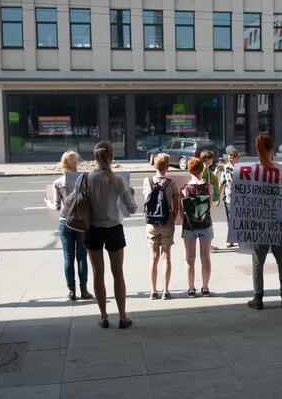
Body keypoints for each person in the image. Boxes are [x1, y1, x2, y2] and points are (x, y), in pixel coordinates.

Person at [84, 141, 137, 329]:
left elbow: (70, 204)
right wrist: (131, 194)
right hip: (113, 228)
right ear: (112, 158)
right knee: (118, 273)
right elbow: (131, 208)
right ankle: (123, 317)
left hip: (92, 229)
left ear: (95, 157)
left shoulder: (86, 178)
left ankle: (104, 316)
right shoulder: (117, 180)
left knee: (98, 274)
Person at [247, 134, 282, 310]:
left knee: (258, 262)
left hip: (260, 225)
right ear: (272, 148)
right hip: (280, 223)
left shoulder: (251, 172)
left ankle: (258, 298)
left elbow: (247, 200)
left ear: (257, 149)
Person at [45, 151, 91, 301]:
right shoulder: (84, 179)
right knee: (82, 256)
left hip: (65, 222)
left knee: (68, 256)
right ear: (74, 162)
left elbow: (57, 207)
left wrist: (47, 203)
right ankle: (84, 290)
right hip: (81, 222)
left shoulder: (58, 182)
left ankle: (71, 291)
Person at [144, 153, 180, 299]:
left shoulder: (147, 181)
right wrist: (173, 218)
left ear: (154, 165)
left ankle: (153, 291)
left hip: (152, 223)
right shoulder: (171, 183)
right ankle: (165, 290)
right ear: (167, 167)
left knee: (153, 258)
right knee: (166, 257)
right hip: (167, 222)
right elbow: (176, 205)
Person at [182, 158, 213, 297]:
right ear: (202, 170)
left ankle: (191, 288)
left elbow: (181, 209)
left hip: (189, 226)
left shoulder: (185, 189)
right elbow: (209, 206)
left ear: (189, 170)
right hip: (206, 225)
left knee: (189, 259)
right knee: (205, 257)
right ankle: (205, 287)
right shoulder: (208, 187)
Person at [217, 148, 240, 248]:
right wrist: (217, 198)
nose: (230, 159)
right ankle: (231, 240)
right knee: (231, 219)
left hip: (241, 199)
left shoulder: (241, 168)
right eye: (229, 157)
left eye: (232, 157)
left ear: (236, 158)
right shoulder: (226, 168)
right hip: (229, 197)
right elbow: (221, 183)